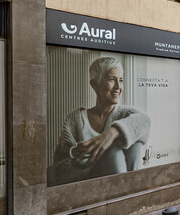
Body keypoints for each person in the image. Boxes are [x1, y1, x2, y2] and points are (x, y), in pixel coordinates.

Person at [49, 57, 151, 185]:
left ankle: (127, 196)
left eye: (121, 80)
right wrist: (80, 154)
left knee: (133, 143)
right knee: (112, 151)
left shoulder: (125, 114)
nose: (118, 87)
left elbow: (144, 120)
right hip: (83, 183)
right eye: (112, 79)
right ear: (94, 84)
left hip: (116, 183)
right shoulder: (75, 119)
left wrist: (111, 134)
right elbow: (60, 166)